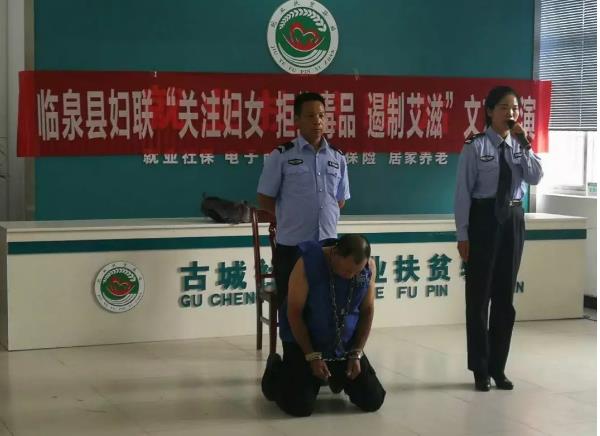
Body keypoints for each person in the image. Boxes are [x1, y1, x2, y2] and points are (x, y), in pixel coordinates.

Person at [454, 85, 543, 391]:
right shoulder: (475, 146)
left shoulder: (520, 145)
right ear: (490, 111)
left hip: (513, 219)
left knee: (505, 298)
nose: (511, 113)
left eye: (515, 108)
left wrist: (526, 145)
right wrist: (462, 234)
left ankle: (498, 368)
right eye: (504, 107)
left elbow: (535, 177)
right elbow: (463, 194)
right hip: (484, 220)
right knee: (479, 298)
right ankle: (480, 369)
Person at [261, 234, 385, 416]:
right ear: (335, 254)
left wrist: (357, 352)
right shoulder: (307, 263)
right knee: (299, 407)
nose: (351, 276)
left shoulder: (368, 268)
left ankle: (335, 378)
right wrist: (311, 355)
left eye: (356, 272)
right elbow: (294, 313)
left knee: (373, 399)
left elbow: (367, 310)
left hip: (343, 345)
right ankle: (276, 370)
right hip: (305, 343)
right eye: (347, 271)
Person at [257, 92, 350, 304]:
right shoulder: (282, 155)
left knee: (325, 308)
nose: (317, 121)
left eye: (321, 115)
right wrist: (291, 216)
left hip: (328, 247)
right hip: (293, 246)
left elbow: (340, 200)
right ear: (297, 120)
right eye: (310, 116)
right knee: (291, 307)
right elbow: (264, 198)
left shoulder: (338, 157)